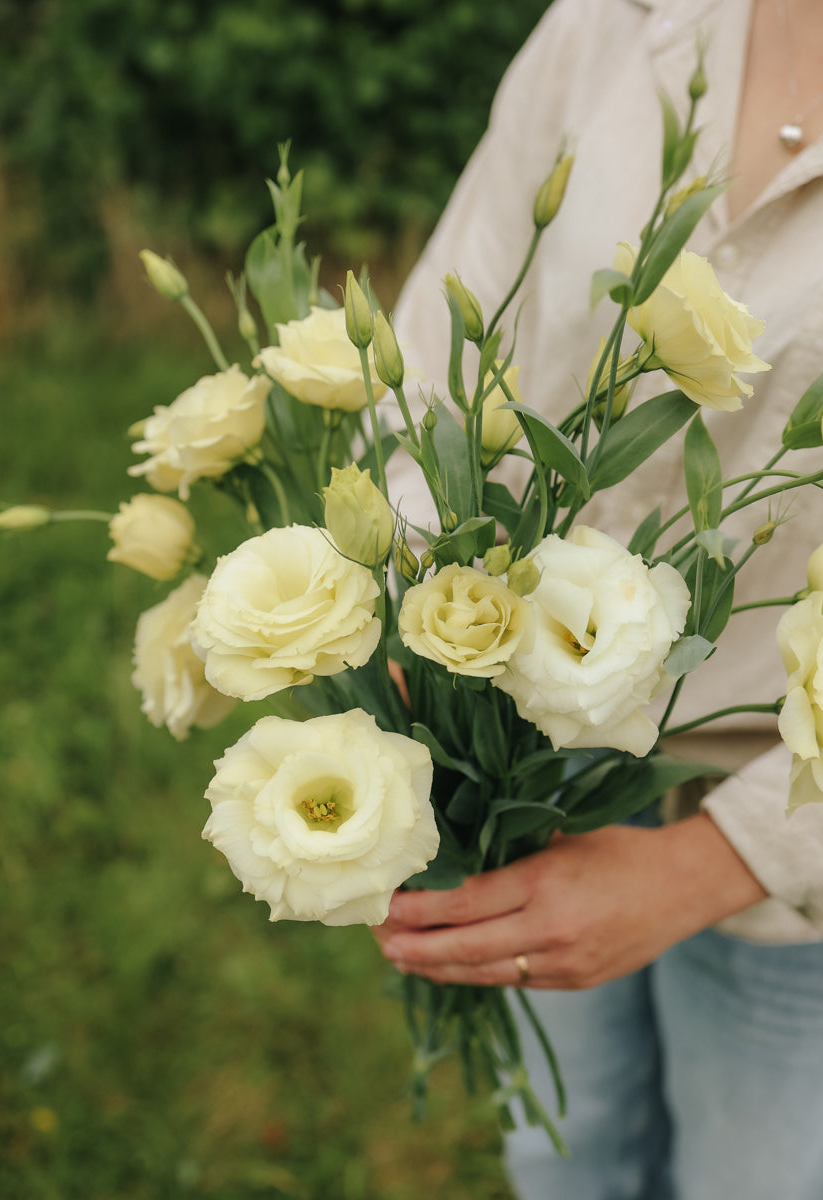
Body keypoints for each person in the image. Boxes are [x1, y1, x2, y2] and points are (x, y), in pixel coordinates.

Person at [374, 1, 823, 1197]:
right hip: (523, 771)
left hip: (789, 846)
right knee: (565, 1154)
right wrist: (406, 620)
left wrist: (710, 864)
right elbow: (432, 354)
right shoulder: (614, 22)